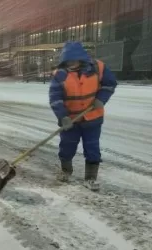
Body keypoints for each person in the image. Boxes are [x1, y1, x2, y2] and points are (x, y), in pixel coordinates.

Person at [49, 41, 117, 191]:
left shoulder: (98, 68)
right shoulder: (59, 75)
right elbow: (55, 99)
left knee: (92, 148)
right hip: (70, 121)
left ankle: (91, 178)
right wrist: (63, 117)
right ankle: (66, 171)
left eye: (73, 61)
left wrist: (101, 99)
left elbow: (110, 84)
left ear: (81, 59)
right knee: (67, 147)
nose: (70, 64)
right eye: (67, 62)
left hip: (92, 118)